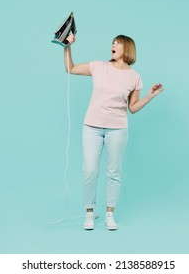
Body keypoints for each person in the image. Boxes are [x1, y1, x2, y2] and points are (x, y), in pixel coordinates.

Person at [63, 34, 164, 230]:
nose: (113, 45)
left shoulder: (135, 77)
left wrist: (151, 96)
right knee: (90, 171)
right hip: (91, 127)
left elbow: (132, 108)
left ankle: (110, 214)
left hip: (117, 130)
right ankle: (89, 214)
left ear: (128, 49)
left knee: (114, 172)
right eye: (113, 42)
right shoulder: (99, 66)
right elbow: (70, 68)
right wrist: (66, 46)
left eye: (118, 43)